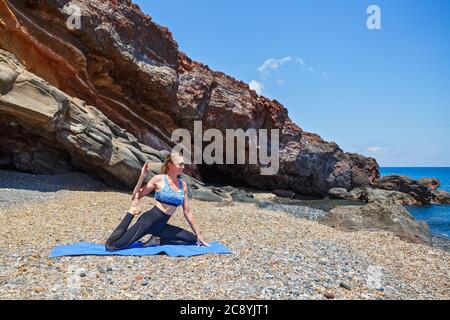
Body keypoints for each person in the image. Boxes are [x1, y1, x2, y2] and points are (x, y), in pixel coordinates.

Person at [105, 153, 210, 251]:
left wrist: (198, 233)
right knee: (113, 246)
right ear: (170, 165)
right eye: (180, 164)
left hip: (161, 226)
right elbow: (136, 195)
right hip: (148, 220)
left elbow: (187, 212)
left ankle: (156, 241)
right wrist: (142, 177)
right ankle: (131, 212)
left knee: (192, 239)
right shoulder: (158, 179)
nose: (183, 167)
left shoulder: (183, 185)